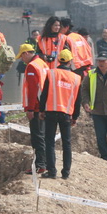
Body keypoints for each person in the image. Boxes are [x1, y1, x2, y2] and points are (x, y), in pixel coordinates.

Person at [39, 49, 81, 179]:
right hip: (66, 114)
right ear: (70, 61)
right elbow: (77, 99)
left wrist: (41, 110)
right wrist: (75, 117)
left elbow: (44, 93)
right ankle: (66, 172)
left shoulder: (52, 74)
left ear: (59, 60)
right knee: (66, 143)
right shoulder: (76, 78)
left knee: (50, 142)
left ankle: (52, 172)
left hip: (51, 112)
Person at [18, 43, 48, 174]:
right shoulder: (42, 63)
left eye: (21, 56)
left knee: (37, 137)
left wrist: (30, 109)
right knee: (43, 136)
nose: (21, 60)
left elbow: (32, 90)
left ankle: (40, 165)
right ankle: (44, 163)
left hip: (35, 108)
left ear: (26, 53)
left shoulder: (31, 67)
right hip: (44, 106)